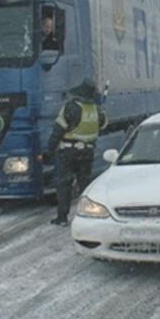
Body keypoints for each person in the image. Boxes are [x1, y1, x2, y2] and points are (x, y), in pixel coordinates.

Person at [44, 79, 108, 226]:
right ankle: (88, 215)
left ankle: (62, 217)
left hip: (68, 152)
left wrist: (49, 150)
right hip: (87, 153)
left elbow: (58, 131)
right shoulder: (96, 110)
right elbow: (103, 125)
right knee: (84, 184)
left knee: (64, 184)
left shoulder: (71, 108)